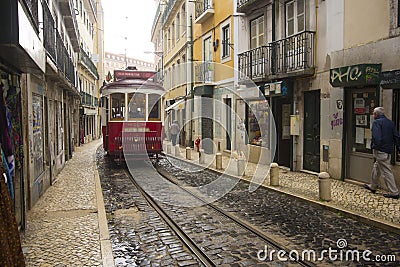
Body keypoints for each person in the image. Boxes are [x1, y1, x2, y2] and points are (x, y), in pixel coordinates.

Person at [364, 107, 400, 199]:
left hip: (380, 150)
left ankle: (394, 192)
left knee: (386, 171)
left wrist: (376, 146)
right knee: (377, 166)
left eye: (373, 113)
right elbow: (396, 136)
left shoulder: (376, 122)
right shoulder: (390, 122)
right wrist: (398, 148)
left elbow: (377, 137)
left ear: (376, 114)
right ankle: (373, 186)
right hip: (388, 150)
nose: (373, 115)